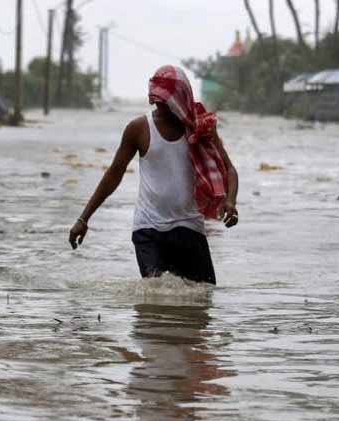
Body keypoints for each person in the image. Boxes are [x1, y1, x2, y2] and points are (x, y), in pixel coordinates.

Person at [68, 65, 239, 285]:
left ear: (182, 98)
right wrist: (84, 219)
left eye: (167, 100)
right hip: (148, 230)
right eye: (158, 100)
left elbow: (229, 170)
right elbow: (114, 175)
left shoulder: (201, 129)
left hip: (189, 228)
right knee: (156, 297)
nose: (162, 105)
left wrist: (230, 201)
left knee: (203, 299)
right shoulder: (139, 129)